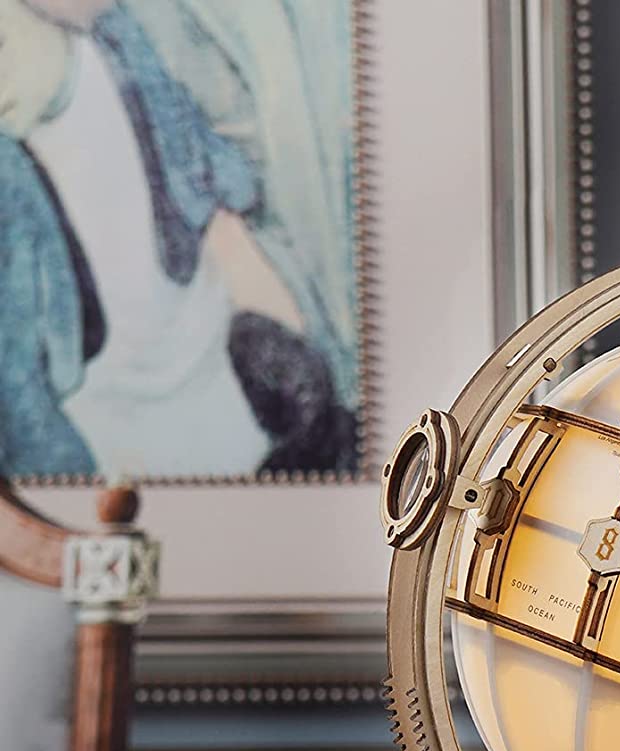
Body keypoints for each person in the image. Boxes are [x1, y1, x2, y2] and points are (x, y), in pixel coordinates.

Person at [0, 0, 356, 477]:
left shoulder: (119, 42)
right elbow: (21, 380)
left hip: (204, 359)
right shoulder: (12, 165)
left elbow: (213, 164)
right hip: (106, 415)